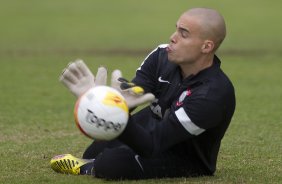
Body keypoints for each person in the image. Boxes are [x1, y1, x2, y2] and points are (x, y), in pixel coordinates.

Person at [50, 7, 236, 179]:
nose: (173, 37)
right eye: (176, 29)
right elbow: (135, 91)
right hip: (154, 125)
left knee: (110, 164)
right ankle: (93, 161)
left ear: (206, 47)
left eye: (184, 34)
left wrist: (118, 118)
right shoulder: (162, 55)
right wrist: (100, 99)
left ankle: (89, 167)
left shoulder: (212, 95)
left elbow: (152, 144)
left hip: (184, 155)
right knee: (94, 151)